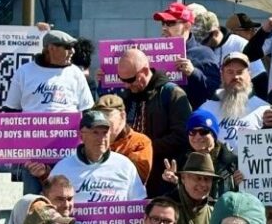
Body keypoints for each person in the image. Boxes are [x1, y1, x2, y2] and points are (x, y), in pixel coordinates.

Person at [3, 29, 97, 193]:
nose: (72, 52)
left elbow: (88, 112)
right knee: (32, 201)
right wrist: (20, 153)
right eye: (67, 47)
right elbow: (11, 112)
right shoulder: (24, 72)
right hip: (33, 154)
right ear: (51, 48)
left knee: (66, 196)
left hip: (68, 152)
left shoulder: (75, 73)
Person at [116, 48, 195, 192]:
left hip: (165, 178)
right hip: (132, 180)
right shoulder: (126, 98)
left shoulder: (171, 93)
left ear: (145, 71)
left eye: (130, 80)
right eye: (122, 80)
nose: (126, 85)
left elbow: (183, 135)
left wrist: (145, 147)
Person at [37, 109, 148, 202]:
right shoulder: (63, 168)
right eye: (95, 132)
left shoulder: (124, 165)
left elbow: (138, 203)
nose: (101, 138)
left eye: (105, 133)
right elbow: (49, 203)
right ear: (82, 136)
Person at [198, 53, 272, 150]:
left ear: (249, 75)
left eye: (240, 72)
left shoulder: (264, 109)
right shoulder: (206, 109)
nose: (235, 76)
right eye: (230, 72)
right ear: (222, 75)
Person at [154, 2, 221, 108]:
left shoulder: (203, 53)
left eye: (170, 23)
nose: (164, 28)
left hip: (191, 117)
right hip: (161, 118)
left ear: (187, 25)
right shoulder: (156, 53)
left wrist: (193, 73)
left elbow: (215, 90)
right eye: (163, 23)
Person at [161, 110, 242, 196]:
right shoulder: (179, 164)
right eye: (192, 132)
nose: (198, 136)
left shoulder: (233, 163)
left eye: (203, 132)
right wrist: (173, 183)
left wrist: (238, 186)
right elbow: (169, 202)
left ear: (213, 135)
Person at [96, 94, 154, 182]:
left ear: (122, 116)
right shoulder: (90, 140)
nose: (102, 122)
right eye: (97, 117)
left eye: (107, 116)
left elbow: (136, 178)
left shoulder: (139, 142)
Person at [159, 152, 221, 224]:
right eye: (198, 178)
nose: (203, 184)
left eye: (207, 179)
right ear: (183, 178)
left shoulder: (216, 211)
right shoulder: (165, 208)